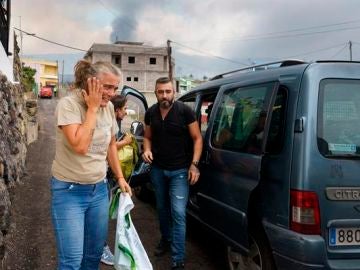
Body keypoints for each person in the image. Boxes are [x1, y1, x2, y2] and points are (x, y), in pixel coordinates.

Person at [50, 59, 132, 270]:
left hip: (99, 191)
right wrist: (93, 109)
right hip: (69, 191)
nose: (112, 93)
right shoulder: (69, 105)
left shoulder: (110, 107)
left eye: (115, 87)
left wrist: (120, 177)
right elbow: (80, 145)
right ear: (90, 82)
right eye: (106, 87)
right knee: (72, 261)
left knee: (93, 256)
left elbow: (111, 145)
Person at [142, 77, 203, 270]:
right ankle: (166, 240)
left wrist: (194, 165)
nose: (164, 95)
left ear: (174, 92)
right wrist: (146, 150)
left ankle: (178, 258)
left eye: (168, 91)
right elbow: (147, 137)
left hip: (179, 171)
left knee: (177, 212)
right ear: (156, 92)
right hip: (158, 170)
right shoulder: (150, 113)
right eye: (160, 92)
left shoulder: (184, 112)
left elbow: (197, 138)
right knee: (161, 209)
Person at [100, 94, 133, 266]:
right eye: (125, 109)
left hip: (109, 176)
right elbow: (107, 148)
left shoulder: (115, 121)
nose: (126, 112)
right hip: (102, 176)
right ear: (117, 109)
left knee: (102, 215)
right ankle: (101, 248)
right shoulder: (107, 120)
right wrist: (125, 142)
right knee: (101, 216)